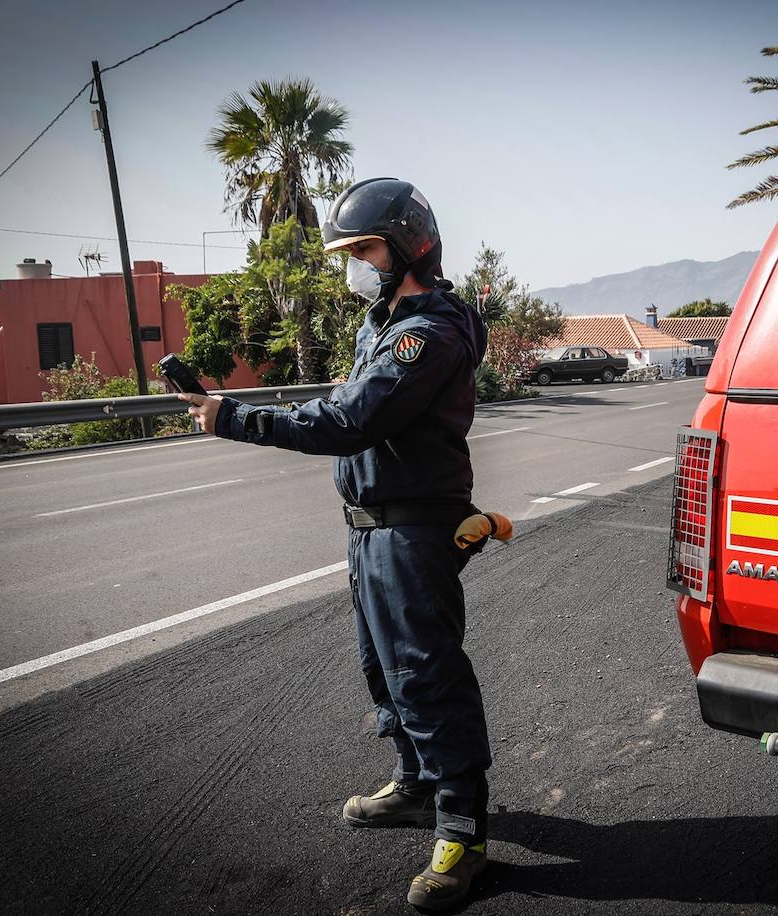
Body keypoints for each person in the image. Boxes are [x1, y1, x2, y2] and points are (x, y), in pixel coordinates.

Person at [178, 178, 495, 910]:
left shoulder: (428, 333)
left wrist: (235, 419)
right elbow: (347, 407)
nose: (353, 264)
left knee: (427, 676)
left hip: (412, 529)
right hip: (369, 529)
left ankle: (464, 832)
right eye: (348, 252)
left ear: (409, 246)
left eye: (364, 249)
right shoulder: (382, 322)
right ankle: (417, 786)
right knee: (383, 671)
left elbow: (350, 421)